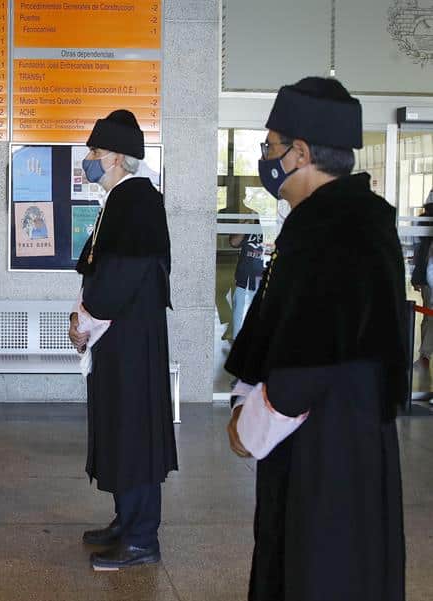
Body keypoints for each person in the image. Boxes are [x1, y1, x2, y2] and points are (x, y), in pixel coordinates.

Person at [225, 77, 406, 601]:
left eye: (270, 147)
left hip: (326, 448)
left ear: (300, 153)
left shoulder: (332, 231)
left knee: (317, 567)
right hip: (348, 433)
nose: (265, 158)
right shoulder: (351, 219)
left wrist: (248, 427)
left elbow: (311, 360)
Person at [67, 109, 178, 571]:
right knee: (119, 426)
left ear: (115, 157)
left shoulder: (137, 200)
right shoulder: (121, 198)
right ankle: (124, 520)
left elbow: (122, 275)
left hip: (131, 342)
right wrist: (85, 314)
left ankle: (141, 537)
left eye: (94, 151)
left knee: (133, 431)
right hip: (118, 340)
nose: (88, 159)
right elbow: (98, 267)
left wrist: (87, 319)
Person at [228, 206, 264, 339]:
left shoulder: (269, 226)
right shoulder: (247, 227)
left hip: (260, 277)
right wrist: (247, 222)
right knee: (239, 311)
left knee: (257, 311)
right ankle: (238, 341)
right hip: (244, 277)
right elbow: (233, 242)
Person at [412, 196, 433, 369]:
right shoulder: (425, 221)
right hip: (428, 275)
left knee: (429, 315)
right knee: (429, 314)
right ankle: (425, 354)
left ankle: (425, 355)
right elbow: (420, 250)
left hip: (427, 275)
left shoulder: (423, 220)